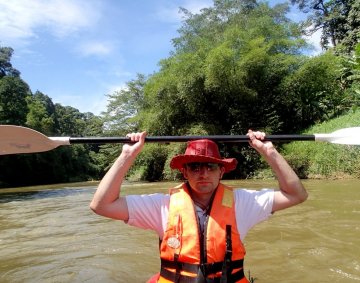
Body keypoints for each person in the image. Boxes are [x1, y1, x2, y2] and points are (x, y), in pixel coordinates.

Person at [90, 130, 308, 283]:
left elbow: (296, 195)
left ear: (221, 171)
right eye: (195, 167)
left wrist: (269, 151)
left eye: (211, 166)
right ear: (184, 172)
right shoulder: (162, 206)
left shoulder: (243, 202)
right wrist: (127, 155)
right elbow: (101, 205)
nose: (203, 173)